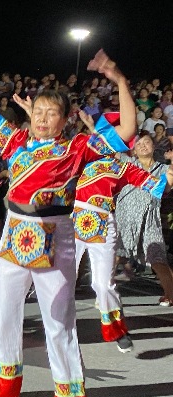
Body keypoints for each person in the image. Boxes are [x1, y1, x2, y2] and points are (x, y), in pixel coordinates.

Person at [0, 43, 136, 397]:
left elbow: (126, 129)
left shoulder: (78, 148)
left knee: (59, 322)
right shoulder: (15, 142)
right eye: (38, 111)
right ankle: (2, 384)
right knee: (5, 312)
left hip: (57, 236)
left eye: (51, 112)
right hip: (14, 232)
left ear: (65, 119)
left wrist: (120, 81)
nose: (42, 118)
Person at [69, 115, 172, 352]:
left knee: (102, 284)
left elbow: (156, 186)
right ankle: (58, 329)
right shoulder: (85, 157)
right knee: (62, 280)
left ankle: (117, 330)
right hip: (74, 222)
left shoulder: (126, 168)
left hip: (104, 224)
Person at [114, 132, 173, 305]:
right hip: (124, 217)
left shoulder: (162, 169)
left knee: (158, 259)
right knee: (114, 257)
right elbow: (110, 148)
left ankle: (170, 295)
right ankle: (105, 295)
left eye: (146, 142)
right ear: (133, 149)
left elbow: (167, 186)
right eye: (138, 144)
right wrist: (90, 126)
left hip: (149, 220)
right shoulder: (127, 164)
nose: (142, 145)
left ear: (153, 147)